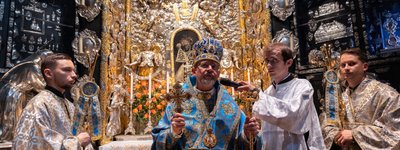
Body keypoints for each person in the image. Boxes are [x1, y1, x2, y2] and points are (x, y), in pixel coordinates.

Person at [152, 38, 260, 149]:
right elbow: (158, 140)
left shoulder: (230, 106)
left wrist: (247, 135)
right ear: (194, 71)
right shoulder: (179, 100)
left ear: (218, 73)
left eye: (214, 66)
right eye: (205, 65)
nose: (209, 69)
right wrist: (173, 132)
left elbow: (242, 143)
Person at [237, 43, 325, 149]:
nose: (269, 65)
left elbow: (293, 117)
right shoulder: (267, 92)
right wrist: (251, 132)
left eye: (274, 61)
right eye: (267, 61)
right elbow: (265, 133)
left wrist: (257, 94)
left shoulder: (302, 86)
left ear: (288, 62)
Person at [321, 48, 400, 149]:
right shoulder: (338, 96)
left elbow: (395, 130)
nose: (346, 68)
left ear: (364, 66)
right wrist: (337, 135)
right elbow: (327, 121)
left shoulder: (386, 93)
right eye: (343, 65)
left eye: (351, 63)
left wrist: (355, 135)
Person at [12, 53, 92, 149]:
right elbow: (39, 144)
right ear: (48, 73)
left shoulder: (70, 105)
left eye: (74, 71)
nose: (74, 75)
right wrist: (77, 142)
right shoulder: (38, 105)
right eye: (67, 70)